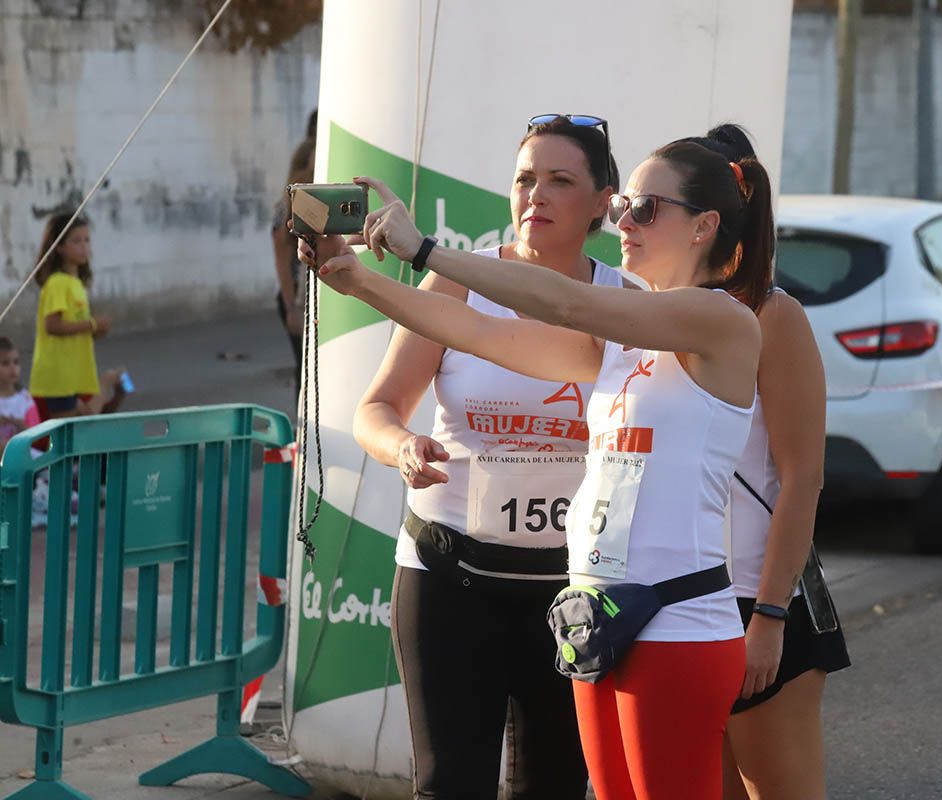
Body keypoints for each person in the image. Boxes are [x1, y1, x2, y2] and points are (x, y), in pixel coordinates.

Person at [300, 128, 775, 799]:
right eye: (623, 208)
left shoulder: (721, 319)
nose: (623, 222)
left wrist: (426, 250)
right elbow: (483, 332)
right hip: (598, 615)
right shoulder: (627, 332)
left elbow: (566, 300)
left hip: (675, 624)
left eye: (643, 208)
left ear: (704, 226)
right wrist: (357, 281)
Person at [317, 116, 622, 800]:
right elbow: (377, 409)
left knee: (557, 785)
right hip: (450, 572)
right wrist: (402, 448)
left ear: (605, 199)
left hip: (573, 587)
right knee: (451, 784)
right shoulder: (458, 283)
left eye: (559, 181)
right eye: (523, 180)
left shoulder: (624, 303)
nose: (535, 196)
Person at [678, 126, 850, 800]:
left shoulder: (774, 316)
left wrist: (770, 618)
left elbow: (803, 476)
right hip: (677, 601)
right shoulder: (659, 313)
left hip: (758, 602)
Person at [29, 213, 125, 421]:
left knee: (80, 424)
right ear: (59, 247)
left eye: (87, 240)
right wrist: (92, 324)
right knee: (71, 430)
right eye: (76, 240)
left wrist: (97, 330)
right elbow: (52, 326)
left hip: (73, 374)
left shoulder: (76, 284)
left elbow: (76, 330)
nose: (84, 246)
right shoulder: (57, 283)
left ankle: (109, 386)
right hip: (58, 375)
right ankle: (106, 383)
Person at [271, 128, 315, 394]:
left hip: (308, 296)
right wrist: (291, 306)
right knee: (304, 368)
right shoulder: (287, 208)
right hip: (296, 297)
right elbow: (281, 258)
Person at [0, 336, 41, 454]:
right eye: (5, 363)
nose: (13, 368)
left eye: (16, 362)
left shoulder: (25, 399)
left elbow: (37, 434)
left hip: (21, 456)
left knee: (45, 470)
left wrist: (19, 424)